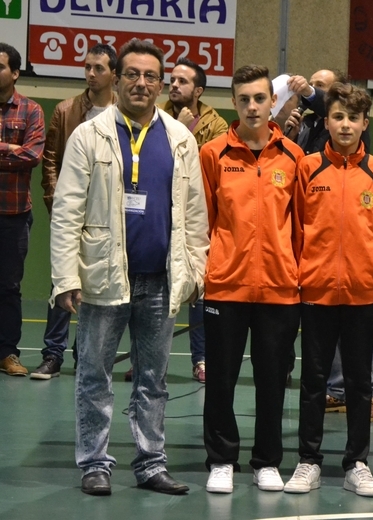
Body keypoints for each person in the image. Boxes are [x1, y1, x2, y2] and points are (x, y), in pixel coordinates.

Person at [50, 38, 208, 496]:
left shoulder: (181, 139)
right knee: (94, 375)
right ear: (117, 81)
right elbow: (67, 211)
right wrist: (65, 277)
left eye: (151, 76)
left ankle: (151, 463)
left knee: (153, 378)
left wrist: (195, 271)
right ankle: (94, 463)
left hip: (160, 280)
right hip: (102, 278)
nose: (142, 83)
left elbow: (195, 214)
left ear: (161, 84)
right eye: (133, 74)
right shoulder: (88, 134)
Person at [284, 83, 373, 497]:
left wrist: (366, 272)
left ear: (365, 123)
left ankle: (357, 464)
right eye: (338, 117)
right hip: (316, 291)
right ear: (326, 121)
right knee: (313, 380)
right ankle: (308, 461)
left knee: (359, 384)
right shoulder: (307, 167)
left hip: (361, 294)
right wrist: (306, 273)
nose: (346, 125)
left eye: (353, 118)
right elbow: (297, 227)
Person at [201, 65, 303, 495]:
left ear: (272, 101)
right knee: (220, 379)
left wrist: (294, 272)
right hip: (226, 285)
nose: (252, 106)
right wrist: (211, 268)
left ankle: (267, 461)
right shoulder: (213, 154)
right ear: (234, 102)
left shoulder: (294, 157)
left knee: (272, 381)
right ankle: (221, 459)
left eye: (260, 98)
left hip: (279, 289)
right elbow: (204, 220)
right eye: (244, 99)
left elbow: (301, 225)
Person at [33, 43, 117, 380]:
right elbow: (50, 161)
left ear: (114, 74)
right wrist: (58, 205)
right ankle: (52, 354)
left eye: (99, 68)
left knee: (97, 290)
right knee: (62, 282)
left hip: (106, 215)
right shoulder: (66, 110)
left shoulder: (121, 113)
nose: (91, 74)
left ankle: (86, 357)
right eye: (87, 67)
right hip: (71, 211)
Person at [160, 56, 229, 384]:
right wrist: (179, 127)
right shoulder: (155, 115)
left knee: (198, 292)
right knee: (158, 292)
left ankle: (201, 359)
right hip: (161, 213)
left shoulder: (217, 125)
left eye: (182, 81)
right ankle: (151, 358)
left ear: (198, 90)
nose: (174, 85)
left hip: (197, 216)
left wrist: (182, 131)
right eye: (172, 79)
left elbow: (206, 171)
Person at [0, 43, 45, 377]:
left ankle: (7, 353)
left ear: (15, 73)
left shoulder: (31, 110)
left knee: (9, 287)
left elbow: (32, 156)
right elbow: (20, 154)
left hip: (14, 214)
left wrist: (13, 151)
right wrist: (9, 148)